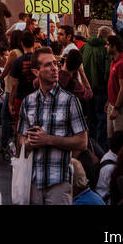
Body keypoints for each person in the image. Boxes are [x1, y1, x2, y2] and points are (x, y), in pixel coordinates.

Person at [16, 47, 88, 205]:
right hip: (32, 180)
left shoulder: (70, 101)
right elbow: (20, 139)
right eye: (48, 65)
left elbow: (82, 142)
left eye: (55, 64)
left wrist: (48, 139)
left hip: (59, 182)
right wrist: (27, 143)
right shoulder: (28, 102)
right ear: (36, 72)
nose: (54, 68)